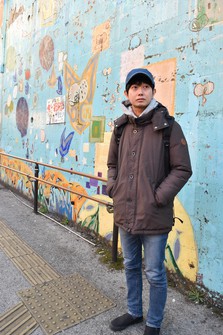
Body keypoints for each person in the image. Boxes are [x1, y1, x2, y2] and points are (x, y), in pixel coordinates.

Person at [106, 68, 192, 335]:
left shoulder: (168, 126)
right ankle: (134, 311)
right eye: (134, 87)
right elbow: (112, 164)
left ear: (153, 91)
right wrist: (113, 188)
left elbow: (182, 169)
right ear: (127, 94)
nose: (140, 91)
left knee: (154, 273)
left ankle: (153, 323)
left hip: (154, 215)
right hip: (125, 211)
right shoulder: (120, 127)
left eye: (145, 86)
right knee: (131, 265)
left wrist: (159, 196)